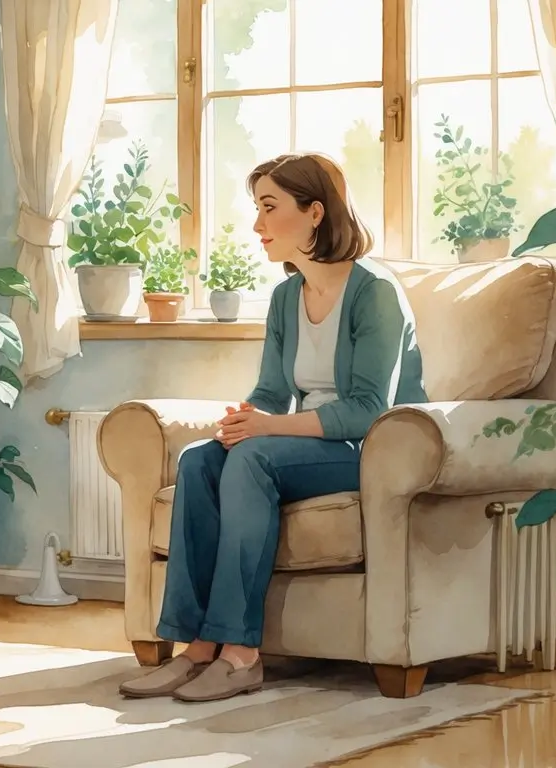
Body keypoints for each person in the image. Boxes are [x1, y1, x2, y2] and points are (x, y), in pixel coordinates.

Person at [118, 152, 426, 703]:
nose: (257, 225)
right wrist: (241, 421)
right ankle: (195, 647)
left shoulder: (375, 292)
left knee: (254, 457)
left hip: (367, 449)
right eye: (255, 209)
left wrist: (266, 430)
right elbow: (268, 392)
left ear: (314, 212)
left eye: (268, 208)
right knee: (199, 460)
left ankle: (239, 654)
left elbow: (366, 409)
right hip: (302, 441)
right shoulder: (286, 298)